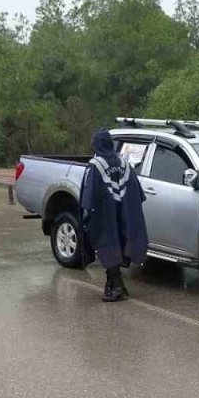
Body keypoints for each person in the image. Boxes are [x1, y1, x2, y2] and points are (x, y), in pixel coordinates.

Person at [79, 128, 148, 302]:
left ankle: (115, 286)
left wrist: (86, 216)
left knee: (107, 245)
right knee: (119, 245)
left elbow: (89, 193)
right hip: (124, 213)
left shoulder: (96, 165)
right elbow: (137, 192)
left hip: (104, 214)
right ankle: (115, 284)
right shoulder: (124, 163)